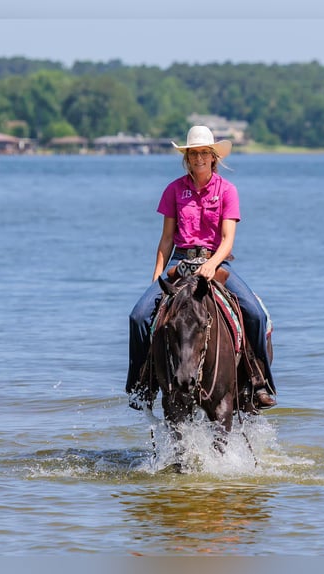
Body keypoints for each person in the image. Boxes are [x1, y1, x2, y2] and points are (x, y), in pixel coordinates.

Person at [126, 125, 276, 410]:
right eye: (193, 154)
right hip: (178, 262)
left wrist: (211, 263)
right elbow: (167, 238)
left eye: (203, 154)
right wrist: (157, 275)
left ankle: (259, 383)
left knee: (255, 314)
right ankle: (141, 384)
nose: (198, 159)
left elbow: (228, 240)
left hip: (215, 261)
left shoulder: (227, 191)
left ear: (213, 157)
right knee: (138, 316)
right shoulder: (173, 190)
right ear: (187, 157)